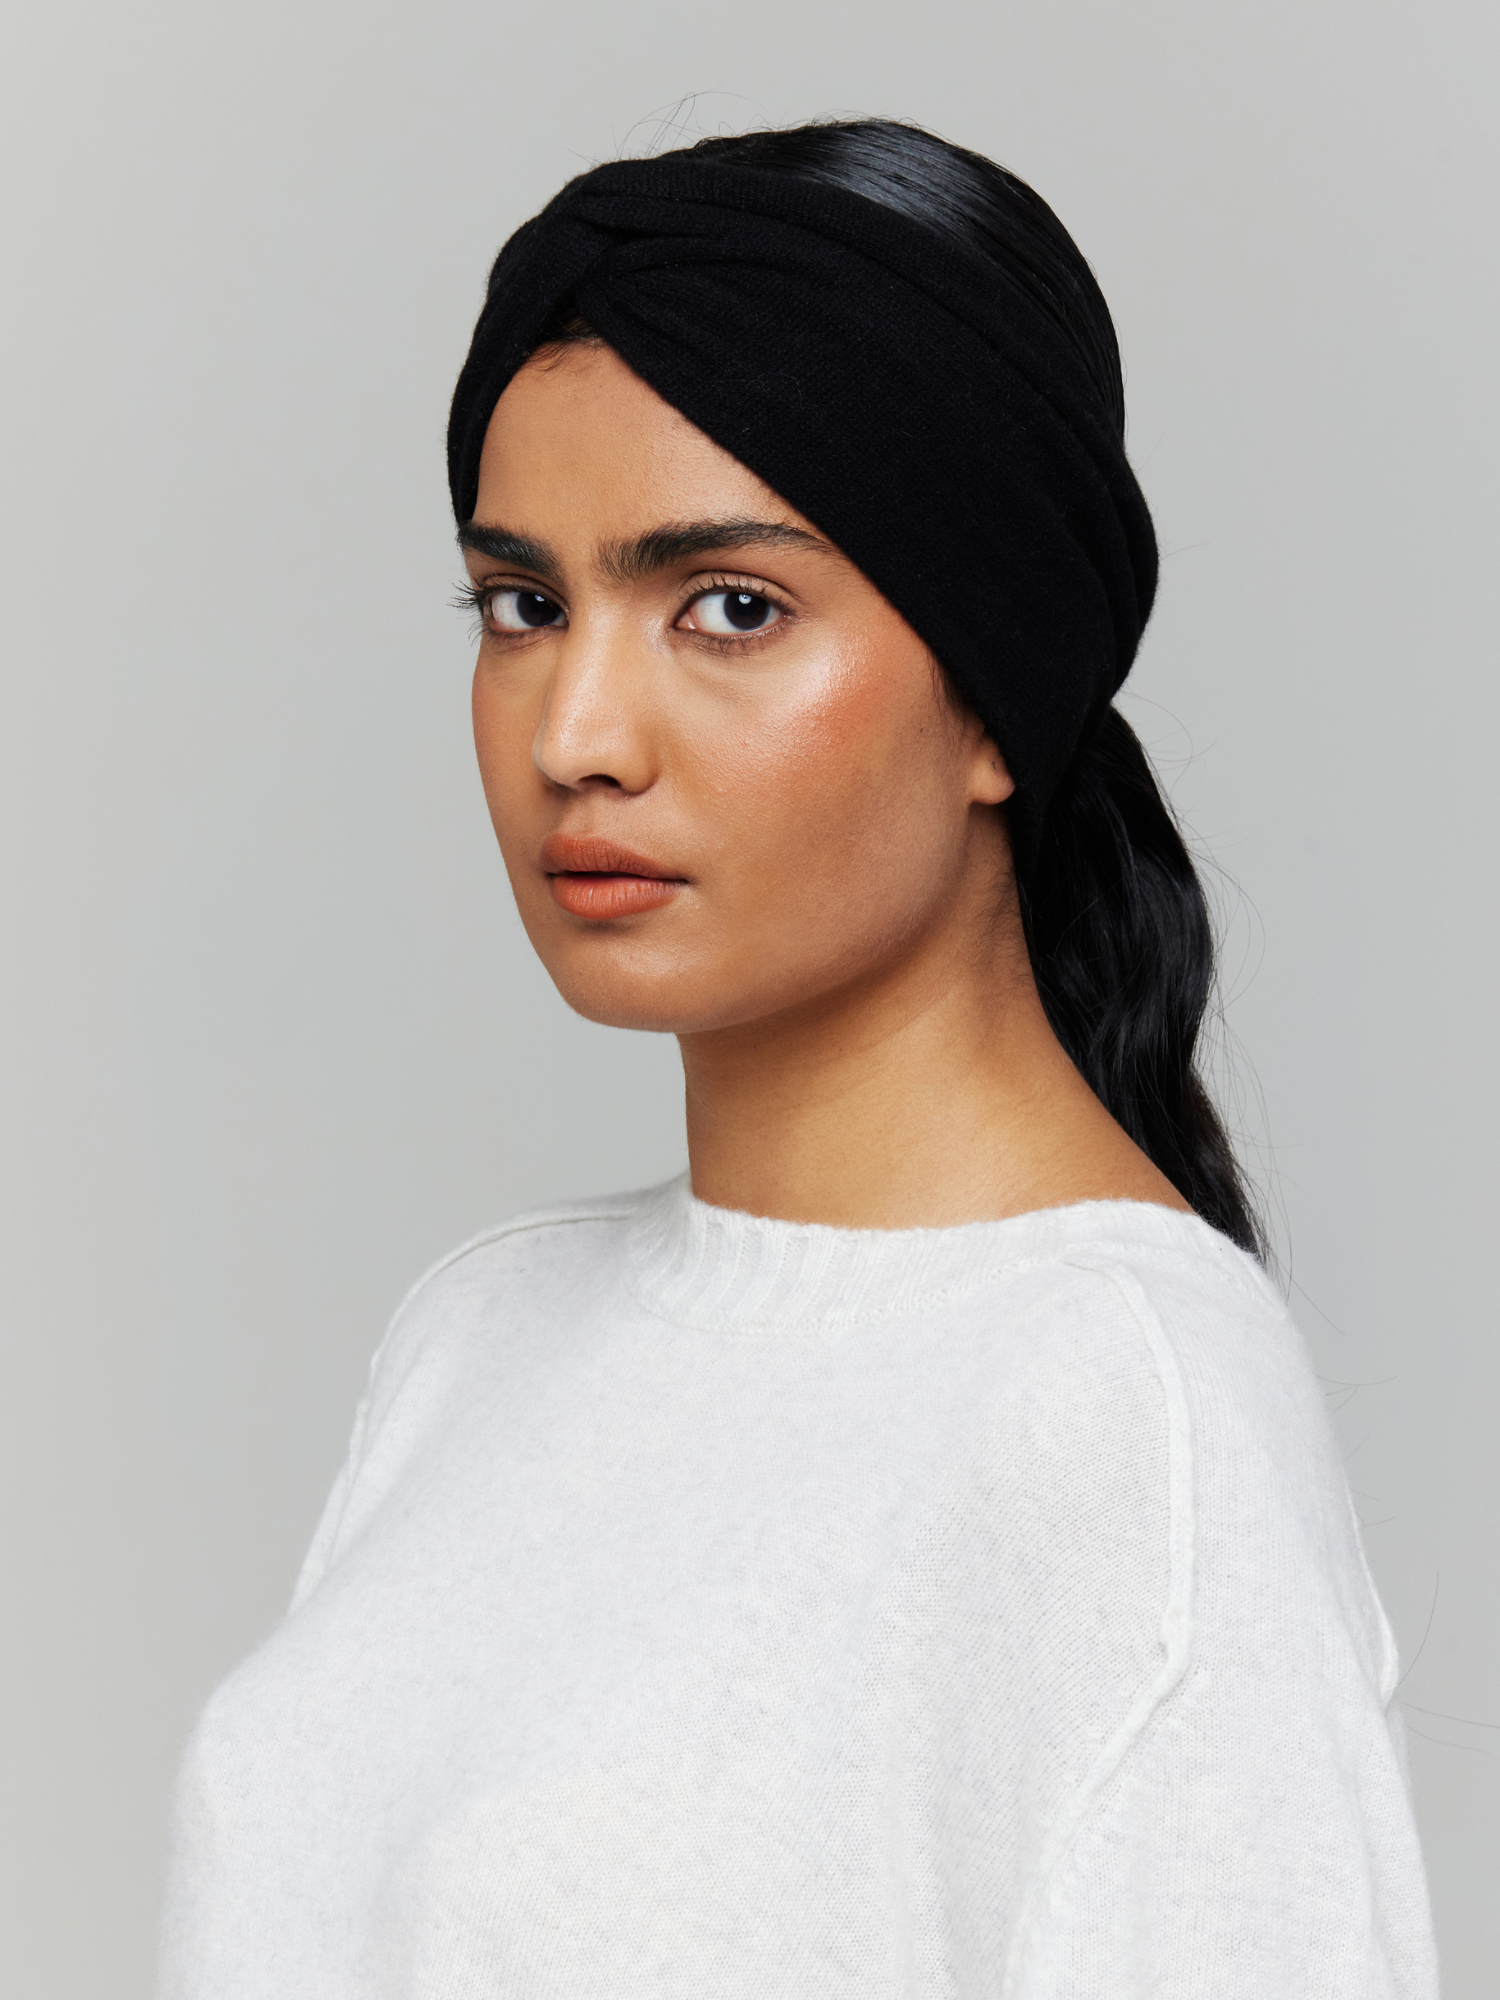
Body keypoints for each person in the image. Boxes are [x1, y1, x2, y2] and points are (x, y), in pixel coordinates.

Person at [158, 121, 1438, 1997]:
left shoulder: (1119, 1416)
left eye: (730, 607)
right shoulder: (477, 1339)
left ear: (998, 693)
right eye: (524, 604)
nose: (578, 731)